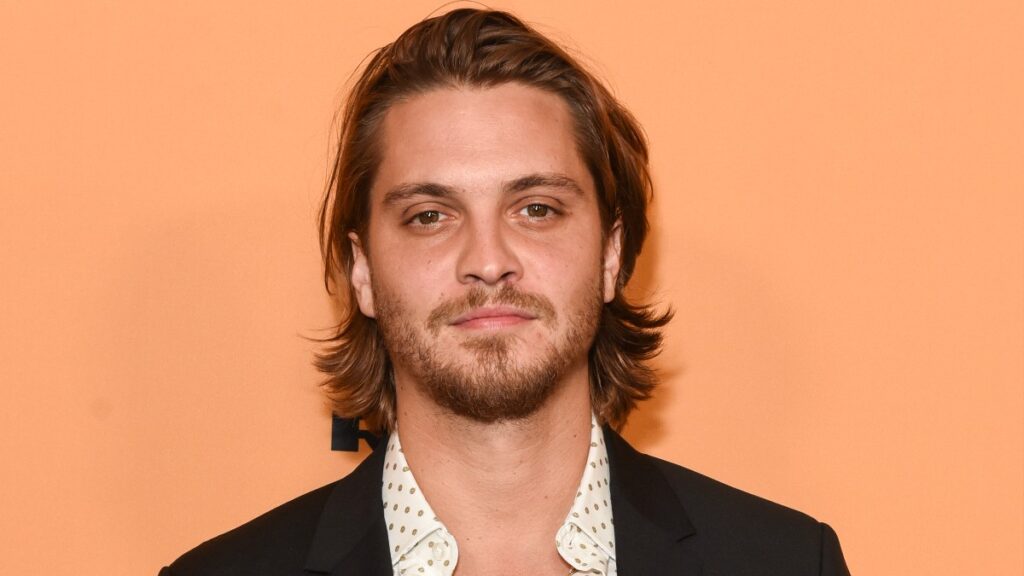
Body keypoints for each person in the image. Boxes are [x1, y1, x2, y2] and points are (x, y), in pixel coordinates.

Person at [161, 8, 851, 575]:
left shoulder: (785, 563)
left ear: (612, 253)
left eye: (537, 210)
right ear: (363, 270)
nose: (488, 262)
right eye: (430, 217)